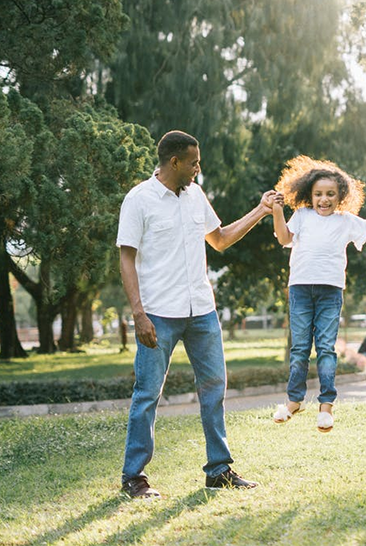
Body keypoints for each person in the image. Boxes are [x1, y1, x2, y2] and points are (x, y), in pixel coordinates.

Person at [117, 130, 275, 498]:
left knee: (214, 389)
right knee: (147, 394)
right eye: (194, 162)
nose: (198, 168)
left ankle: (218, 470)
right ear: (174, 162)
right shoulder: (139, 199)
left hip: (202, 311)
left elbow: (219, 239)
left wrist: (260, 210)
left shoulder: (196, 195)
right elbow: (126, 258)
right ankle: (133, 476)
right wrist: (138, 314)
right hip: (158, 313)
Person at [270, 155, 366, 432]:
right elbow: (284, 238)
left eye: (330, 194)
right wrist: (277, 211)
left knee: (326, 348)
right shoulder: (302, 215)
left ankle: (326, 407)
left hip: (330, 291)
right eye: (318, 194)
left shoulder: (346, 220)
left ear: (341, 197)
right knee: (300, 348)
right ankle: (294, 401)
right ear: (309, 195)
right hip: (301, 289)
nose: (323, 199)